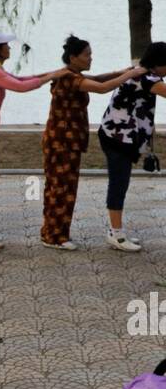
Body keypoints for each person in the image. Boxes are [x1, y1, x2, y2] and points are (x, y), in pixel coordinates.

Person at [0, 31, 68, 249]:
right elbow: (21, 87)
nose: (9, 48)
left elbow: (19, 79)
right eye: (6, 45)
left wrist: (52, 73)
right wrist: (51, 76)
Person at [40, 37, 143, 251]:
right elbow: (102, 87)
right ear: (73, 57)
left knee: (61, 187)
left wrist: (120, 72)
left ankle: (53, 234)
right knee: (60, 188)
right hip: (62, 142)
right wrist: (129, 75)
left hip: (67, 141)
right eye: (86, 54)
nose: (90, 58)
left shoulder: (71, 75)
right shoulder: (69, 78)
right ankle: (54, 237)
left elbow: (97, 78)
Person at [98, 40, 166, 252]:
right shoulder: (147, 78)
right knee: (119, 182)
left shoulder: (140, 72)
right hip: (118, 138)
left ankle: (115, 230)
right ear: (159, 63)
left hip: (116, 134)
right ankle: (116, 234)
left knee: (120, 182)